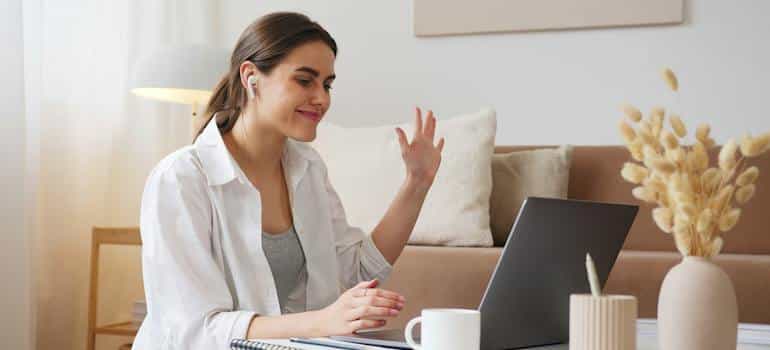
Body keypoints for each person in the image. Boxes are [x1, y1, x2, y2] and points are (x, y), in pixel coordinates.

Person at [132, 12, 445, 349]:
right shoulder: (181, 179)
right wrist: (322, 322)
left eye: (327, 84)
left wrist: (417, 183)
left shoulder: (308, 167)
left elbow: (356, 271)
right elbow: (198, 330)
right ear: (251, 78)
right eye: (304, 80)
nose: (322, 98)